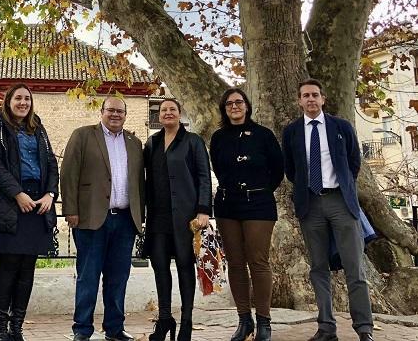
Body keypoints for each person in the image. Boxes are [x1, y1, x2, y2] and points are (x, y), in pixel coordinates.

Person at [282, 79, 374, 341]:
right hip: (310, 205)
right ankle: (326, 328)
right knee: (318, 268)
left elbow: (354, 162)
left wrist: (341, 188)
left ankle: (364, 329)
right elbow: (291, 169)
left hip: (341, 203)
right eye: (305, 96)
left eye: (314, 95)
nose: (310, 99)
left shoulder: (341, 127)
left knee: (354, 267)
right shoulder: (292, 132)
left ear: (323, 99)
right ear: (299, 101)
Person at [60, 97, 144, 341]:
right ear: (102, 112)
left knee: (118, 278)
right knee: (88, 276)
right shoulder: (83, 136)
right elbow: (69, 174)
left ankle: (115, 328)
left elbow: (139, 182)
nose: (115, 114)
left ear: (126, 115)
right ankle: (82, 329)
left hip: (125, 220)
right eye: (111, 110)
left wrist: (140, 216)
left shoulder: (134, 142)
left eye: (120, 111)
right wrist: (70, 210)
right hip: (91, 219)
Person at [0, 83, 59, 341]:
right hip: (10, 203)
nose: (23, 103)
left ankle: (17, 328)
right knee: (9, 264)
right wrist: (17, 194)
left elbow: (51, 163)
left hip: (38, 203)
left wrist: (50, 194)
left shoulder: (38, 127)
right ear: (8, 101)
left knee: (28, 267)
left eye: (27, 98)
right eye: (18, 98)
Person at [209, 89, 284, 341]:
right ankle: (244, 320)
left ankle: (264, 321)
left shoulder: (264, 135)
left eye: (239, 102)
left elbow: (278, 170)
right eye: (229, 103)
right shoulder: (218, 138)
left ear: (247, 106)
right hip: (228, 205)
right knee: (236, 263)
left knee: (258, 261)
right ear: (224, 108)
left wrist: (258, 190)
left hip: (259, 204)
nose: (234, 106)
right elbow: (218, 168)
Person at [143, 98, 212, 341]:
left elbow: (204, 176)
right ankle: (164, 319)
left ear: (179, 114)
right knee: (160, 267)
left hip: (186, 217)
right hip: (158, 217)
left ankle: (186, 322)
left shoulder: (193, 141)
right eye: (163, 110)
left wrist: (204, 210)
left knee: (184, 267)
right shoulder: (152, 143)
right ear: (159, 116)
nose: (168, 113)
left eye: (172, 109)